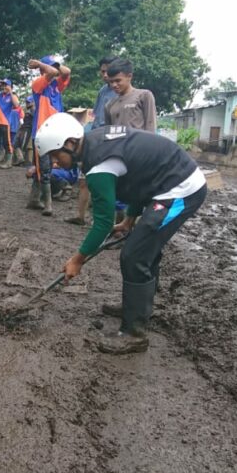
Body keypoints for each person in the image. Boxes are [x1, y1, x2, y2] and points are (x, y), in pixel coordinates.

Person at [37, 113, 207, 355]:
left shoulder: (98, 167)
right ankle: (136, 307)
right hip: (162, 184)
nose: (54, 162)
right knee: (143, 247)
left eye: (55, 155)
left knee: (135, 255)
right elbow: (139, 181)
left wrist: (78, 259)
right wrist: (129, 219)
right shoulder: (93, 143)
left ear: (70, 144)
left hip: (181, 189)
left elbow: (103, 223)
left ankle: (134, 334)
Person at [67, 56, 118, 226]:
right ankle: (80, 216)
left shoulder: (120, 92)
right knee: (84, 180)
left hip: (110, 140)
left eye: (107, 71)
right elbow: (95, 117)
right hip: (95, 139)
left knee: (105, 183)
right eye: (102, 71)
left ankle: (111, 224)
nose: (104, 74)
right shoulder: (103, 91)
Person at [27, 55, 71, 216]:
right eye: (50, 66)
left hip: (55, 131)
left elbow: (66, 71)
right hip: (42, 132)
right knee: (44, 168)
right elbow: (52, 71)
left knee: (44, 166)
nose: (55, 69)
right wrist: (41, 64)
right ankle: (47, 204)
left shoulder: (56, 86)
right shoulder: (38, 84)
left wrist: (52, 65)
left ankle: (34, 199)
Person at [103, 58, 157, 131]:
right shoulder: (109, 105)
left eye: (118, 80)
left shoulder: (144, 96)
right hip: (118, 142)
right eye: (111, 82)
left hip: (138, 142)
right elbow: (108, 132)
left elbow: (150, 125)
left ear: (129, 76)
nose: (114, 85)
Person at [0, 79, 20, 169]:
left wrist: (10, 92)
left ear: (10, 86)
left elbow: (16, 105)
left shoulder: (12, 96)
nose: (4, 86)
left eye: (6, 85)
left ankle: (8, 162)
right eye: (3, 85)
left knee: (7, 142)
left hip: (5, 122)